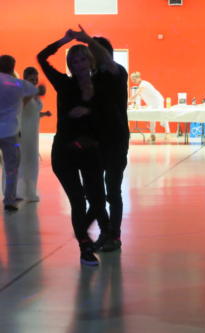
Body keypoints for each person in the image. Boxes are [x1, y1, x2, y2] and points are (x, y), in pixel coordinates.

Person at [37, 26, 112, 266]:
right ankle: (84, 247)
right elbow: (41, 57)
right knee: (78, 201)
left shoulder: (100, 85)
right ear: (70, 64)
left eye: (82, 60)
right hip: (65, 152)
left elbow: (105, 116)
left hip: (90, 151)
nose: (78, 65)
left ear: (90, 62)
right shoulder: (63, 84)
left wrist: (88, 110)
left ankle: (82, 233)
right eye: (74, 61)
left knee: (98, 201)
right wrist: (64, 40)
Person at [86, 36, 130, 252]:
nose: (91, 55)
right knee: (94, 191)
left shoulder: (117, 72)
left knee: (113, 190)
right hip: (95, 141)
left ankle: (115, 235)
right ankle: (105, 232)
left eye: (94, 51)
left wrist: (87, 40)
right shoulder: (91, 77)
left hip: (116, 139)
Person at [0, 55, 39, 211]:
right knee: (12, 166)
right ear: (12, 67)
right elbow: (34, 89)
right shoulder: (17, 84)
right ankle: (9, 199)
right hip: (10, 133)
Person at [17, 67, 51, 203]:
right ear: (25, 79)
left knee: (32, 162)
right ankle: (19, 192)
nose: (35, 81)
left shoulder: (33, 93)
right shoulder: (22, 92)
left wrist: (43, 114)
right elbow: (20, 107)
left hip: (33, 133)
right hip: (22, 132)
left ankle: (30, 192)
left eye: (36, 79)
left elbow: (33, 112)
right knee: (22, 162)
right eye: (32, 79)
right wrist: (35, 92)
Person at [129, 71, 166, 141]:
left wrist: (129, 100)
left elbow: (137, 94)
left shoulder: (144, 84)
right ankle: (152, 135)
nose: (132, 81)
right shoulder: (140, 85)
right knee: (152, 118)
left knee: (162, 116)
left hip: (158, 101)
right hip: (152, 104)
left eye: (133, 79)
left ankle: (167, 133)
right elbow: (139, 97)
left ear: (137, 78)